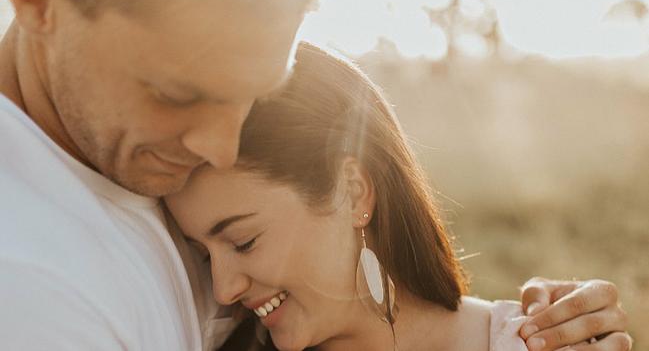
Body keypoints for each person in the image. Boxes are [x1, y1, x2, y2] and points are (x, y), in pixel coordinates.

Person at [0, 0, 630, 350]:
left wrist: (545, 326)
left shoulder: (150, 163)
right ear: (37, 0)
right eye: (178, 94)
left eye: (247, 94)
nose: (219, 146)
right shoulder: (28, 284)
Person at [165, 43, 631, 351]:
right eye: (203, 256)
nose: (224, 288)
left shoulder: (536, 341)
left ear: (353, 191)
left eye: (244, 241)